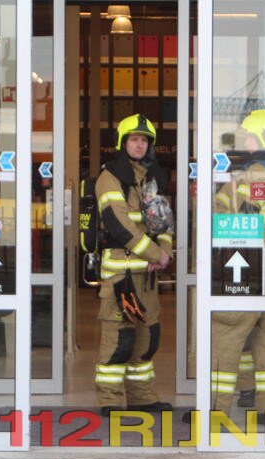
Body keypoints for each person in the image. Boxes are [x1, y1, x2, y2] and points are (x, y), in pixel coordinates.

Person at [209, 109, 265, 420]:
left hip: (251, 264)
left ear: (263, 138)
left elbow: (228, 217)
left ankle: (216, 409)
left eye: (249, 137)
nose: (244, 144)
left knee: (227, 333)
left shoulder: (253, 174)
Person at [93, 114, 173, 417]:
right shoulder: (109, 178)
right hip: (121, 276)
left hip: (147, 277)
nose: (140, 145)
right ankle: (111, 401)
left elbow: (163, 221)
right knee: (119, 341)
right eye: (134, 139)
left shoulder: (151, 179)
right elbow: (119, 224)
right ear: (122, 143)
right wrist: (155, 254)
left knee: (147, 339)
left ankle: (142, 398)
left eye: (144, 140)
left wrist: (165, 250)